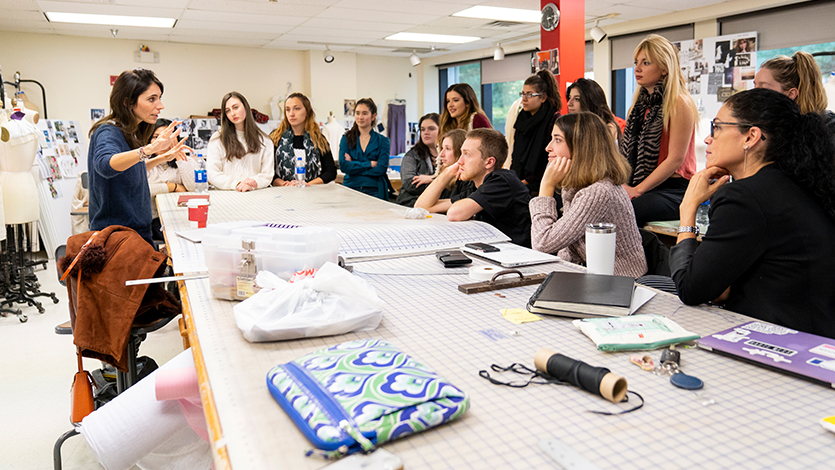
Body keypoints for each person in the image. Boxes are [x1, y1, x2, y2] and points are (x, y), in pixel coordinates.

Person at [671, 88, 835, 338]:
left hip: (782, 344)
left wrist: (688, 208)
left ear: (751, 137)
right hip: (814, 334)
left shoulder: (745, 197)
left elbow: (690, 289)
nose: (707, 139)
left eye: (717, 127)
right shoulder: (795, 182)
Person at [530, 112, 646, 278]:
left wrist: (546, 186)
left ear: (581, 146)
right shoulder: (575, 185)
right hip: (591, 275)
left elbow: (542, 243)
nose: (548, 147)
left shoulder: (598, 192)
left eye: (557, 139)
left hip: (620, 282)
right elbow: (567, 244)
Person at [88, 68, 189, 246]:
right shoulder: (108, 132)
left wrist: (163, 156)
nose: (160, 106)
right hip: (118, 237)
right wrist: (148, 150)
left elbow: (131, 169)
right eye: (151, 99)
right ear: (128, 102)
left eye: (159, 98)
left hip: (136, 232)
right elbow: (105, 165)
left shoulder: (131, 133)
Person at [619, 34, 699, 227]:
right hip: (642, 183)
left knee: (626, 211)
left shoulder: (679, 103)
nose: (637, 68)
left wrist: (637, 189)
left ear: (664, 68)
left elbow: (675, 159)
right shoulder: (637, 107)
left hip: (674, 189)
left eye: (646, 63)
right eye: (636, 62)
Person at [442, 128, 531, 247]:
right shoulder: (477, 184)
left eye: (467, 154)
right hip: (499, 251)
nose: (459, 161)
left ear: (489, 163)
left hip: (520, 256)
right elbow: (424, 206)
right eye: (461, 153)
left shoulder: (501, 181)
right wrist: (447, 173)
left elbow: (454, 213)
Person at [754, 51, 835, 138]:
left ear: (791, 93)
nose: (754, 93)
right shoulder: (766, 125)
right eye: (755, 85)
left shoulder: (828, 127)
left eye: (764, 87)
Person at [206, 91, 274, 191]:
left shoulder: (264, 140)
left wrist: (253, 183)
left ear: (245, 107)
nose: (232, 113)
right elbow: (213, 174)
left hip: (256, 195)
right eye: (228, 111)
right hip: (226, 196)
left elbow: (267, 175)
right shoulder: (218, 139)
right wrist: (237, 184)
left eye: (235, 107)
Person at [509, 71, 561, 197]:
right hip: (519, 179)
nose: (524, 99)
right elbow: (516, 152)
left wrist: (527, 181)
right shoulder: (522, 118)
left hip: (541, 184)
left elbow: (548, 156)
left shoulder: (553, 119)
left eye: (530, 94)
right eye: (523, 94)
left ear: (543, 98)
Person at [270, 92, 337, 187]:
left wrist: (307, 184)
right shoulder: (275, 138)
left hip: (312, 192)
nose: (291, 114)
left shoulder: (318, 139)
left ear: (307, 111)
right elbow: (268, 172)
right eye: (287, 110)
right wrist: (285, 184)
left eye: (296, 109)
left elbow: (330, 171)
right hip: (283, 193)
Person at [146, 118, 197, 240]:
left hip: (182, 216)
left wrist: (178, 155)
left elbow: (194, 189)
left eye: (167, 136)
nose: (161, 141)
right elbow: (143, 190)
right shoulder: (144, 163)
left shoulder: (186, 161)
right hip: (153, 220)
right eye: (156, 136)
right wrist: (173, 187)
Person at [338, 98, 391, 200]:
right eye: (357, 113)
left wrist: (353, 165)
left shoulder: (383, 141)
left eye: (365, 113)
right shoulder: (346, 139)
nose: (360, 117)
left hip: (374, 189)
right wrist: (370, 164)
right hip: (350, 188)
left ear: (373, 116)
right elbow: (344, 166)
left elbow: (381, 169)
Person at [414, 129, 474, 213]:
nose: (441, 154)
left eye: (448, 149)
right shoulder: (447, 177)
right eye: (442, 148)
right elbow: (420, 206)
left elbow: (422, 207)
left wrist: (448, 172)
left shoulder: (468, 183)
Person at [395, 113, 439, 207]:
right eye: (423, 129)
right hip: (411, 203)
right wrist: (440, 184)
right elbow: (409, 184)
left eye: (431, 129)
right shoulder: (411, 155)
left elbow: (454, 182)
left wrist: (431, 179)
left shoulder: (450, 154)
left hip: (440, 203)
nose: (426, 132)